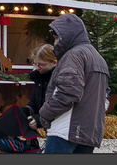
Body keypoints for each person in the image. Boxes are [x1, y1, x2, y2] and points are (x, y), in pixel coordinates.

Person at [36, 13, 109, 153]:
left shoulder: (74, 55)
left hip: (66, 131)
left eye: (57, 38)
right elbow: (104, 99)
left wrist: (45, 114)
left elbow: (68, 93)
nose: (55, 43)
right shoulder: (98, 58)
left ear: (67, 36)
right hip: (88, 132)